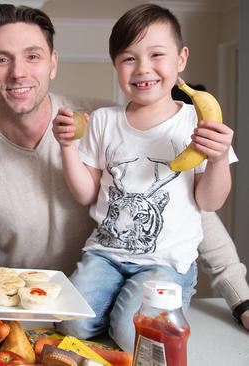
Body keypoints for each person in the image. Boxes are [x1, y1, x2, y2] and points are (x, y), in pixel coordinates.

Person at [0, 3, 249, 334]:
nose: (18, 72)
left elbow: (191, 208)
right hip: (37, 321)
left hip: (134, 309)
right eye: (1, 59)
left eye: (33, 56)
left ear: (53, 63)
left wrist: (241, 299)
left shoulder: (102, 119)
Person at [51, 4, 236, 352]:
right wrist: (67, 147)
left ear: (181, 59)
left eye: (156, 55)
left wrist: (219, 158)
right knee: (71, 322)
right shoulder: (104, 121)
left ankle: (160, 304)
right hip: (104, 254)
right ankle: (122, 305)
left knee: (132, 335)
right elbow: (85, 194)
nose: (143, 69)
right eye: (129, 59)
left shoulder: (197, 124)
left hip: (167, 260)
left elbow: (209, 202)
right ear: (116, 66)